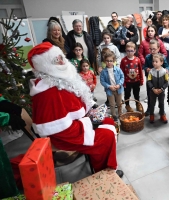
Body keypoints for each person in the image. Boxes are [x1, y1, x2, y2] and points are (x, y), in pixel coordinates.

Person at [28, 42, 123, 176]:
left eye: (61, 57)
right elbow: (58, 129)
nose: (61, 62)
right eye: (56, 60)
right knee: (106, 136)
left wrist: (90, 114)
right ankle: (103, 172)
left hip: (77, 123)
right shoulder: (47, 92)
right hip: (65, 136)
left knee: (109, 122)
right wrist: (89, 123)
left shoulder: (60, 79)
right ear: (45, 66)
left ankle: (104, 164)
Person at [143, 39, 169, 116]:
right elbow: (145, 66)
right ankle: (149, 108)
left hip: (160, 79)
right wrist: (146, 69)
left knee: (161, 96)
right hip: (151, 79)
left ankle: (161, 109)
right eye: (150, 49)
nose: (152, 50)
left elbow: (166, 66)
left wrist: (167, 70)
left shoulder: (162, 57)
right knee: (149, 94)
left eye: (154, 49)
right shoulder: (148, 57)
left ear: (158, 48)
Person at [100, 52, 124, 121]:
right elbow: (102, 81)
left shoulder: (118, 69)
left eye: (111, 61)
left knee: (119, 103)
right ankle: (114, 115)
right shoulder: (103, 72)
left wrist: (119, 84)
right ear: (105, 61)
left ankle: (120, 113)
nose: (109, 62)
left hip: (118, 89)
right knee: (112, 104)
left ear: (114, 61)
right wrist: (108, 86)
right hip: (109, 90)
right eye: (107, 61)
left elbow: (122, 77)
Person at [120, 42, 143, 113]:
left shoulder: (137, 60)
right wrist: (123, 82)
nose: (130, 53)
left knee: (137, 94)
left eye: (131, 51)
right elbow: (121, 72)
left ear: (135, 51)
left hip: (136, 81)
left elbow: (140, 70)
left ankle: (137, 104)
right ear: (125, 50)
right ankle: (127, 105)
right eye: (128, 51)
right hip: (127, 82)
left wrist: (141, 79)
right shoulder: (123, 60)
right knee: (127, 94)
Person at [147, 53, 169, 123]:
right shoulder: (151, 71)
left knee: (161, 103)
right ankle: (151, 115)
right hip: (152, 91)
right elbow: (148, 81)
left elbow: (166, 82)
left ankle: (162, 114)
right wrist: (153, 88)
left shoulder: (164, 72)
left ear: (161, 62)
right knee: (152, 103)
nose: (154, 63)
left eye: (156, 61)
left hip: (161, 91)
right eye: (153, 61)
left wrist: (162, 89)